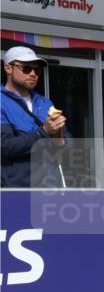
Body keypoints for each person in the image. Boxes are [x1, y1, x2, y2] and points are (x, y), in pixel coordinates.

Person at [1, 46, 68, 187]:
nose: (33, 74)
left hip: (50, 189)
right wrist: (43, 132)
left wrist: (59, 136)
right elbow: (5, 147)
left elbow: (67, 146)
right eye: (26, 69)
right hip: (16, 192)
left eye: (37, 70)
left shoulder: (45, 102)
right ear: (8, 68)